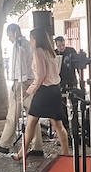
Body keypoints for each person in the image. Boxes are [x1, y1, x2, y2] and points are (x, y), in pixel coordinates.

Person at [11, 29, 69, 161]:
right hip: (54, 89)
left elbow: (41, 76)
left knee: (31, 122)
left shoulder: (38, 51)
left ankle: (21, 153)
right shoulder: (50, 52)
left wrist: (28, 91)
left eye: (31, 38)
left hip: (44, 91)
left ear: (35, 39)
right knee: (57, 124)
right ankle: (65, 152)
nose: (30, 41)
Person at [0, 24, 43, 156]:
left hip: (21, 81)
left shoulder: (18, 45)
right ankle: (37, 147)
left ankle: (4, 144)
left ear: (13, 32)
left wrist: (20, 83)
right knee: (33, 116)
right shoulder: (28, 44)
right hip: (29, 81)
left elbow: (20, 65)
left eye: (8, 34)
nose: (8, 37)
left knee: (12, 115)